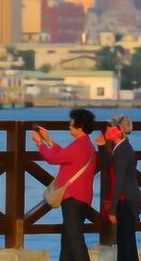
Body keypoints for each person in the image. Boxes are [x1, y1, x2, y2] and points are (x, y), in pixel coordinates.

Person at [32, 109, 97, 261]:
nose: (69, 125)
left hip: (72, 198)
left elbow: (53, 159)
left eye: (71, 123)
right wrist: (49, 141)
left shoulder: (78, 146)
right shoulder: (87, 145)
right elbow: (63, 155)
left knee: (74, 239)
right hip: (84, 198)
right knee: (68, 238)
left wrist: (40, 143)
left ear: (79, 126)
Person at [97, 115, 141, 261]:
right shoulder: (120, 148)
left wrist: (113, 209)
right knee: (123, 239)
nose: (107, 130)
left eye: (111, 128)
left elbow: (119, 182)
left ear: (120, 131)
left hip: (126, 199)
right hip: (125, 198)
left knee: (126, 241)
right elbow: (107, 165)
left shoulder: (122, 151)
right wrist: (102, 147)